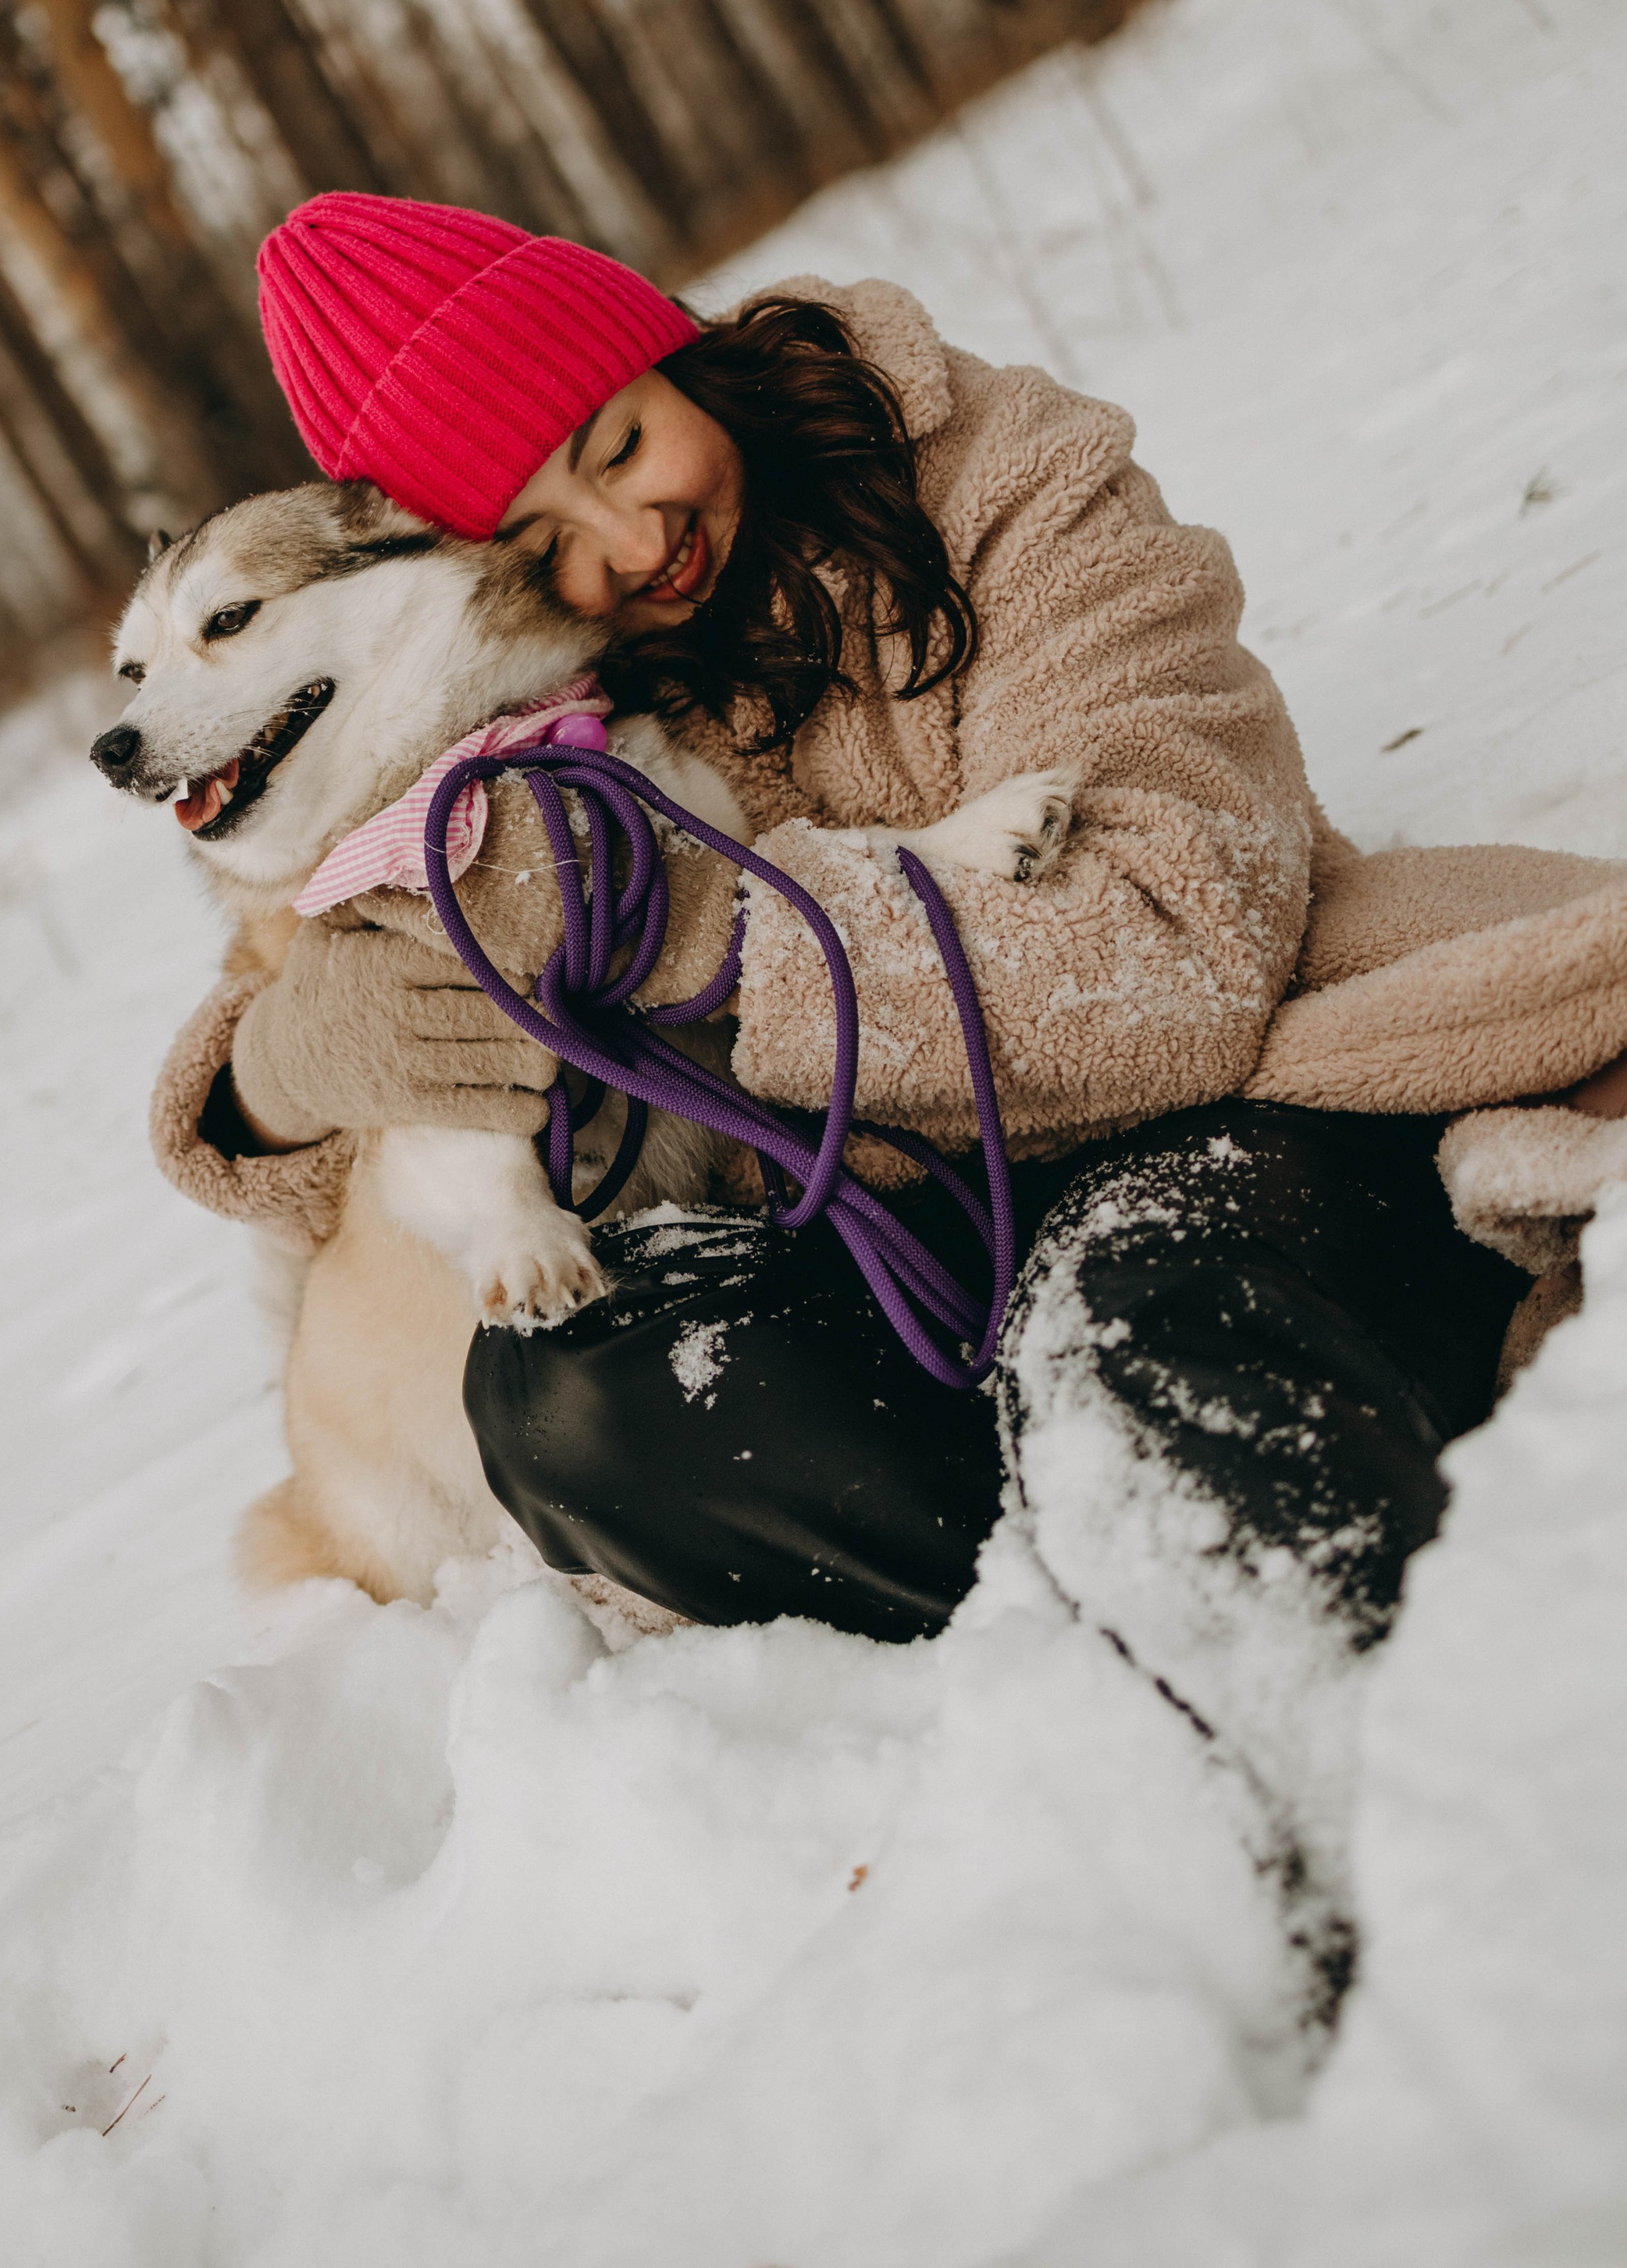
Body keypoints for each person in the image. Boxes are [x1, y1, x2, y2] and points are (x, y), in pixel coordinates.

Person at [152, 192, 1627, 1853]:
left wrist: (695, 929)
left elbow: (1178, 951)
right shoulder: (531, 706)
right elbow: (275, 1087)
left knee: (1134, 1305)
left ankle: (1393, 1798)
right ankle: (1079, 1644)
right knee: (570, 1409)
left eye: (621, 444)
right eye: (538, 535)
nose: (628, 549)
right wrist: (290, 1058)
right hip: (901, 1254)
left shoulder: (1002, 483)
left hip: (1214, 1122)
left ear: (671, 350)